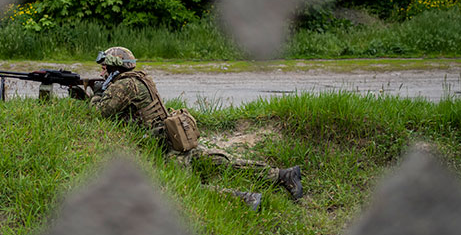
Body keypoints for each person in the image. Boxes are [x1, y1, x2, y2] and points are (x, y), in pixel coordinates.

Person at [69, 47, 303, 207]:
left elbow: (100, 113)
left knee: (181, 189)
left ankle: (245, 200)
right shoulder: (140, 78)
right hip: (175, 137)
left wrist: (94, 95)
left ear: (114, 68)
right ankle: (283, 175)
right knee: (223, 161)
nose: (100, 72)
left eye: (103, 68)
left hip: (168, 146)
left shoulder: (124, 85)